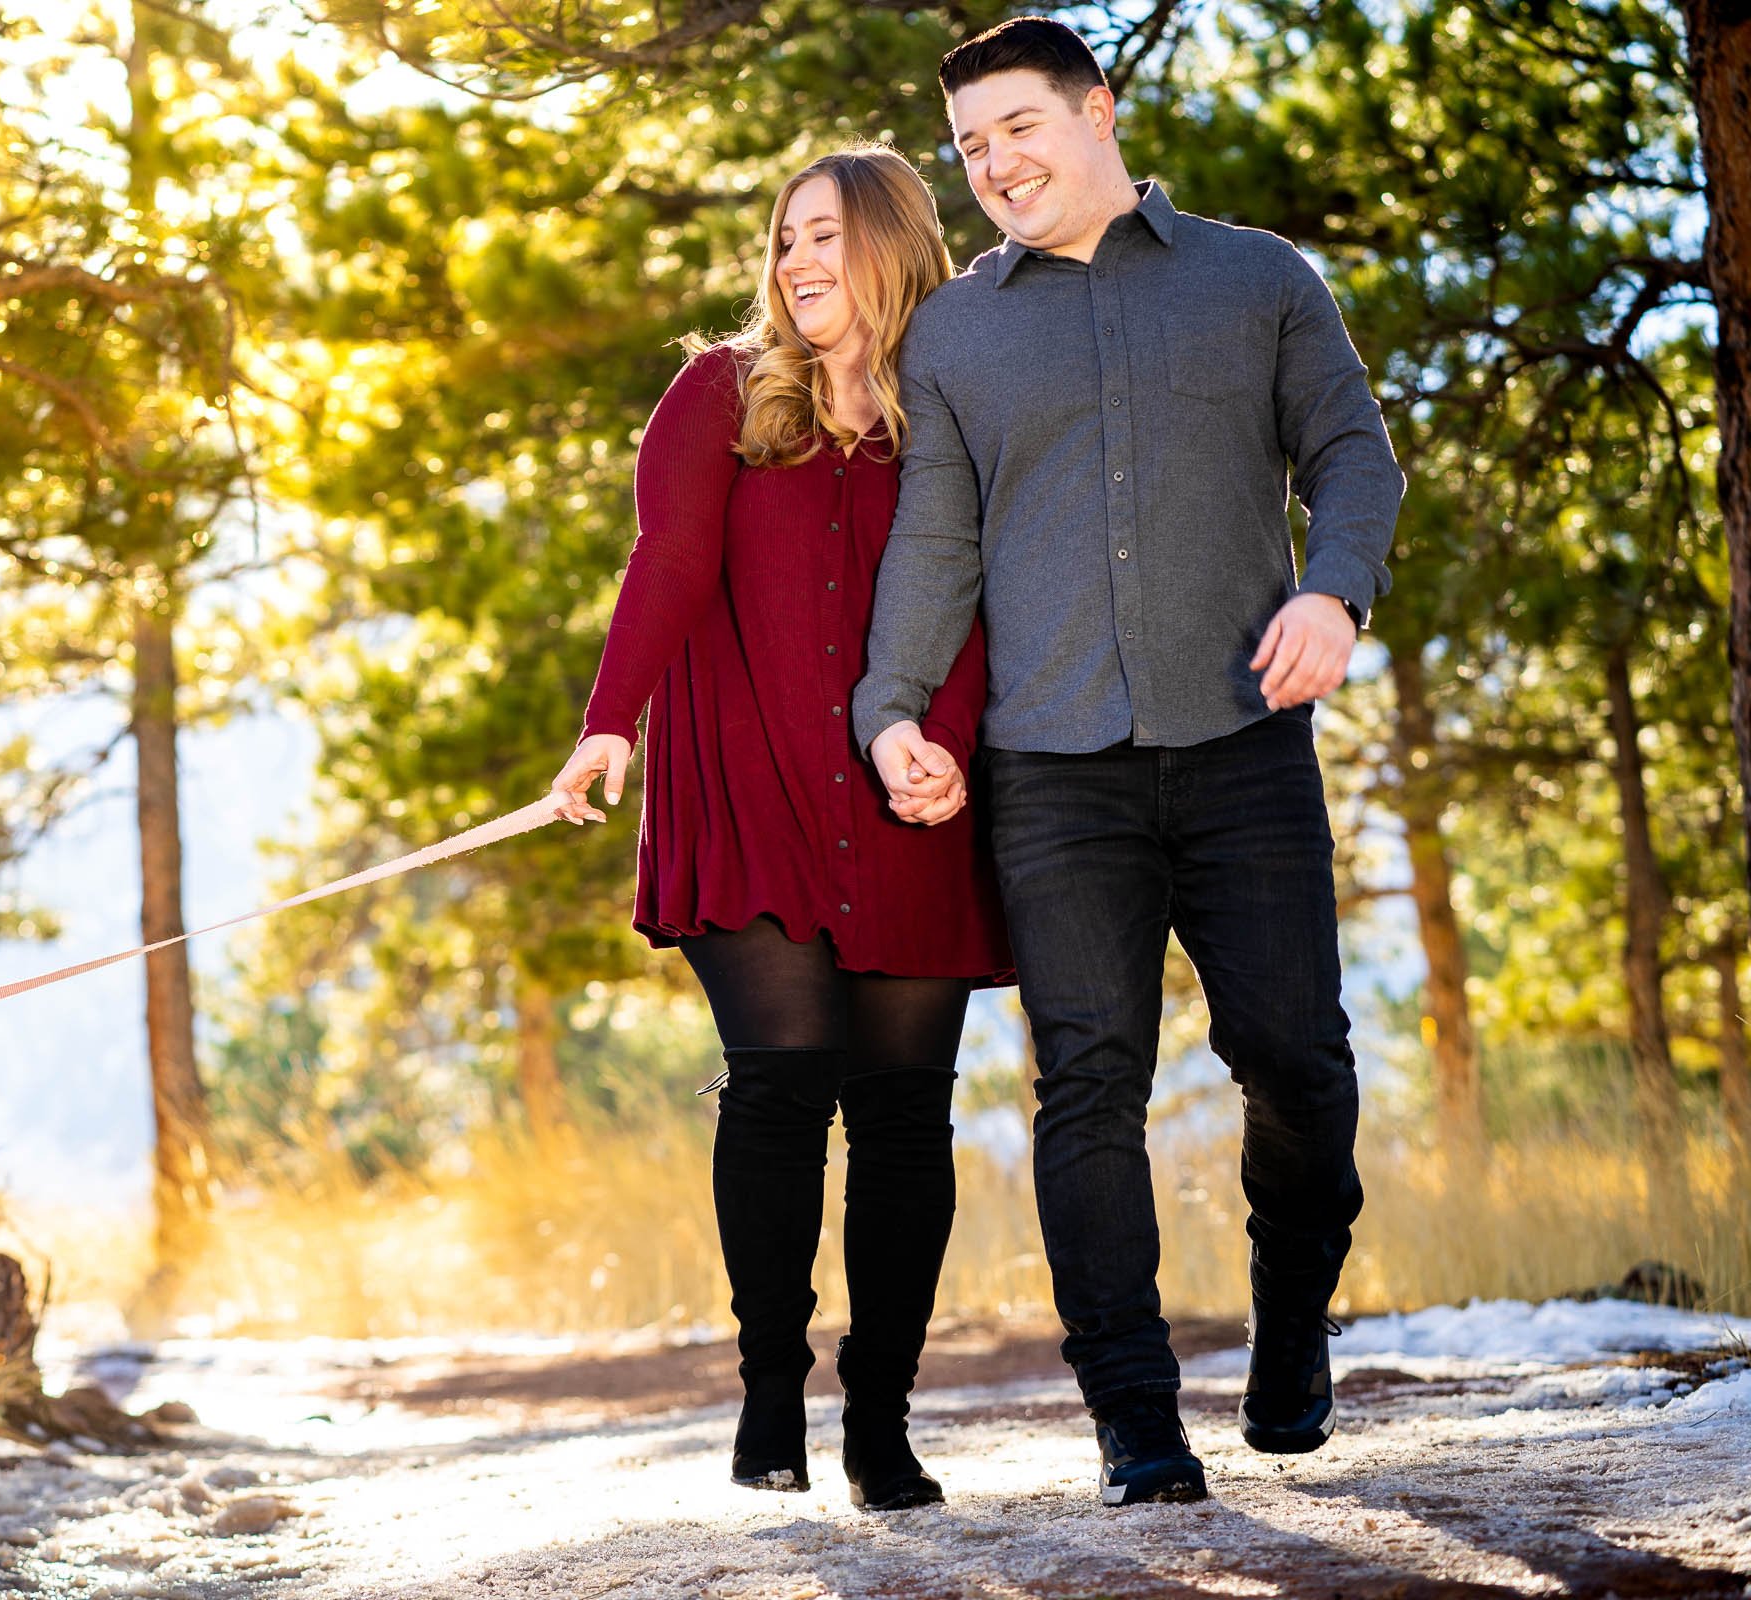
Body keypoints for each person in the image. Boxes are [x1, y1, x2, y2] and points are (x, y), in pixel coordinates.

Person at [852, 17, 1403, 1507]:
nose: (996, 166)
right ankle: (1136, 1428)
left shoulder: (1258, 279)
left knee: (1297, 1062)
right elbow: (938, 537)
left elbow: (1352, 452)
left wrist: (1331, 588)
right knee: (1086, 1085)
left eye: (1020, 129)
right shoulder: (956, 334)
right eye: (971, 149)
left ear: (1099, 113)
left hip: (1242, 749)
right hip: (1053, 769)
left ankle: (1294, 1326)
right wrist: (892, 707)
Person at [548, 143, 1014, 1511]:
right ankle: (770, 1391)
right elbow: (673, 564)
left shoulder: (954, 405)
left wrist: (948, 749)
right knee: (780, 1080)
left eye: (829, 236)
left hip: (911, 783)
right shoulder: (718, 393)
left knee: (905, 1117)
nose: (801, 262)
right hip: (748, 774)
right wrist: (608, 719)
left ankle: (881, 1417)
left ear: (893, 247)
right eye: (787, 239)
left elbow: (989, 590)